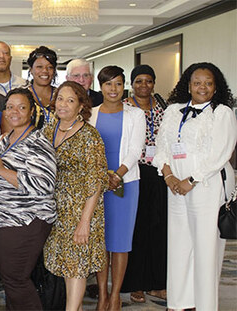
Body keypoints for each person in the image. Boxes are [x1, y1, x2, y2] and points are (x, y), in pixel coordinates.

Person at [153, 62, 237, 310]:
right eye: (197, 82)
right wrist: (168, 176)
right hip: (175, 186)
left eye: (208, 83)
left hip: (206, 184)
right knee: (178, 244)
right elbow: (162, 148)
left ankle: (204, 305)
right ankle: (179, 302)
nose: (202, 87)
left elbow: (220, 152)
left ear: (216, 86)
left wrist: (191, 180)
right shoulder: (173, 111)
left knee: (205, 247)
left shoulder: (222, 112)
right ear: (188, 85)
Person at [0, 87, 56, 309]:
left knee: (15, 278)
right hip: (6, 219)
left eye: (21, 107)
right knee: (10, 278)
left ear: (32, 111)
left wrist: (2, 170)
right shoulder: (6, 138)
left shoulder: (38, 143)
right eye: (9, 107)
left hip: (26, 219)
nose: (14, 111)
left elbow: (44, 185)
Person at [43, 81, 107, 310]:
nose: (63, 104)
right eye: (60, 98)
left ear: (81, 106)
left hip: (81, 210)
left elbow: (96, 181)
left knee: (77, 266)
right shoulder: (48, 129)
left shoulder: (90, 136)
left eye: (70, 100)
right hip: (55, 209)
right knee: (65, 266)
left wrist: (85, 222)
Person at [88, 65, 145, 310]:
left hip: (125, 185)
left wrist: (117, 175)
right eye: (109, 84)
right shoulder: (89, 114)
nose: (114, 89)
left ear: (124, 86)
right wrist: (103, 177)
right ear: (100, 87)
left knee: (120, 243)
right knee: (101, 242)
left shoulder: (135, 114)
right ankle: (102, 294)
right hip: (96, 187)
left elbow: (135, 150)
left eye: (118, 84)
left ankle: (115, 295)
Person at [120, 65, 168, 303]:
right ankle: (135, 284)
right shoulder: (125, 108)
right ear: (132, 83)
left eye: (148, 81)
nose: (144, 85)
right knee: (136, 229)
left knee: (158, 228)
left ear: (154, 84)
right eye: (139, 81)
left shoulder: (163, 109)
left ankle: (157, 283)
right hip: (133, 173)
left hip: (158, 173)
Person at [25, 46, 57, 125]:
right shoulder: (22, 96)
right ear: (31, 70)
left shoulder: (61, 96)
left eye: (49, 67)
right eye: (39, 67)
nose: (45, 71)